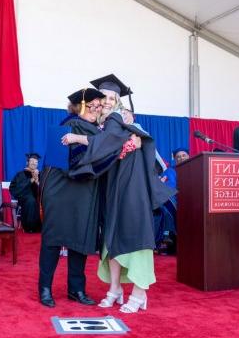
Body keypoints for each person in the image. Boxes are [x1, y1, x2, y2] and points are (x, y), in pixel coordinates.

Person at [64, 77, 175, 313]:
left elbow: (106, 143)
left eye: (112, 98)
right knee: (112, 237)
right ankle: (115, 289)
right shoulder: (106, 124)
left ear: (118, 103)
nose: (106, 102)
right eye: (102, 98)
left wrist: (76, 138)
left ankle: (139, 292)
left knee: (134, 234)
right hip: (115, 186)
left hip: (131, 186)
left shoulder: (116, 119)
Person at [38, 88, 106, 308]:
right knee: (53, 239)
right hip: (61, 191)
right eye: (92, 106)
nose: (96, 110)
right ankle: (45, 287)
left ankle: (76, 289)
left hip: (84, 192)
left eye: (99, 106)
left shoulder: (96, 131)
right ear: (80, 106)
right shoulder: (70, 126)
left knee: (80, 238)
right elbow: (71, 162)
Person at [10, 153, 42, 233]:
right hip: (25, 198)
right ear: (27, 162)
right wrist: (31, 180)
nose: (34, 163)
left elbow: (44, 188)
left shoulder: (40, 174)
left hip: (38, 198)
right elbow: (16, 189)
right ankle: (30, 227)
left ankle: (46, 227)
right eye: (32, 161)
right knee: (31, 200)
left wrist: (37, 181)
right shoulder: (20, 174)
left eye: (36, 162)